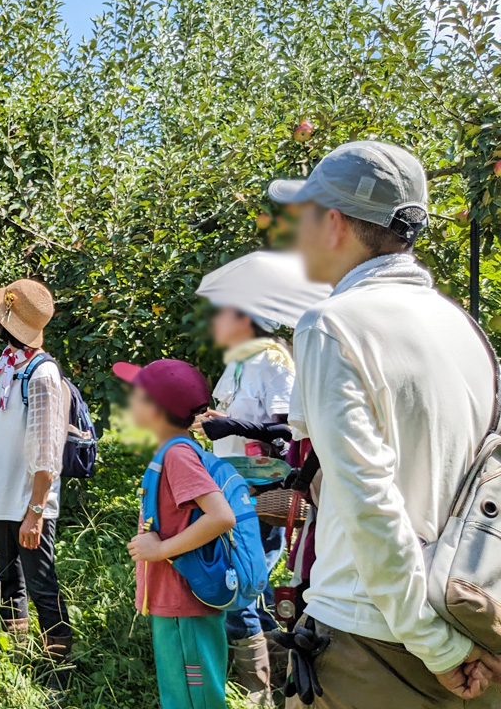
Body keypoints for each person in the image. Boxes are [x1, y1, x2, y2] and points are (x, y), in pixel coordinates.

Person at [267, 140, 499, 707]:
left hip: (375, 640)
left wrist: (434, 645)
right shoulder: (464, 328)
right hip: (471, 618)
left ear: (333, 222)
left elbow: (367, 499)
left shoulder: (332, 324)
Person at [191, 251, 330, 706]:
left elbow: (289, 430)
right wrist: (216, 420)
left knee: (241, 583)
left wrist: (229, 427)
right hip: (231, 486)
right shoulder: (237, 362)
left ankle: (256, 691)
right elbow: (236, 418)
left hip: (262, 491)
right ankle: (273, 666)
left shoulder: (275, 362)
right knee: (251, 584)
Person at [116, 358, 237, 709]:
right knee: (178, 693)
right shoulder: (171, 451)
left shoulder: (178, 456)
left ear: (157, 409)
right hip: (173, 602)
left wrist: (160, 549)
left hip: (186, 603)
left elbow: (221, 516)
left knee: (197, 697)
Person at [0, 279, 73, 676]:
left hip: (28, 500)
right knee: (6, 580)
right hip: (1, 496)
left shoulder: (42, 376)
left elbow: (48, 452)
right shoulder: (8, 367)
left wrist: (36, 510)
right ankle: (15, 654)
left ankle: (58, 667)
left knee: (41, 583)